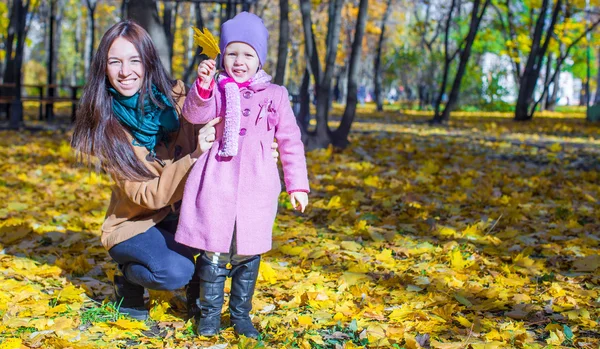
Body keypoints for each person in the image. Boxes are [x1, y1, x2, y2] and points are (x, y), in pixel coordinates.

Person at [69, 20, 279, 321]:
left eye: (134, 61)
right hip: (137, 223)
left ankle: (197, 292)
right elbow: (146, 194)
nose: (125, 71)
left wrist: (261, 149)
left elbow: (231, 124)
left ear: (148, 62)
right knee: (175, 271)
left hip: (184, 212)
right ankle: (129, 279)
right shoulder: (106, 127)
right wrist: (192, 157)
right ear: (104, 67)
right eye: (115, 62)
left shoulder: (181, 97)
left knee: (222, 238)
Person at [174, 12, 310, 339]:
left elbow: (290, 140)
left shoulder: (276, 94)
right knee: (214, 249)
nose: (239, 61)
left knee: (248, 251)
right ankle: (207, 315)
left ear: (260, 59)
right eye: (232, 53)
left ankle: (240, 315)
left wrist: (298, 185)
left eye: (248, 54)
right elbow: (194, 114)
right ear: (222, 55)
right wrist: (203, 87)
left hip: (257, 184)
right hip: (216, 179)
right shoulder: (219, 89)